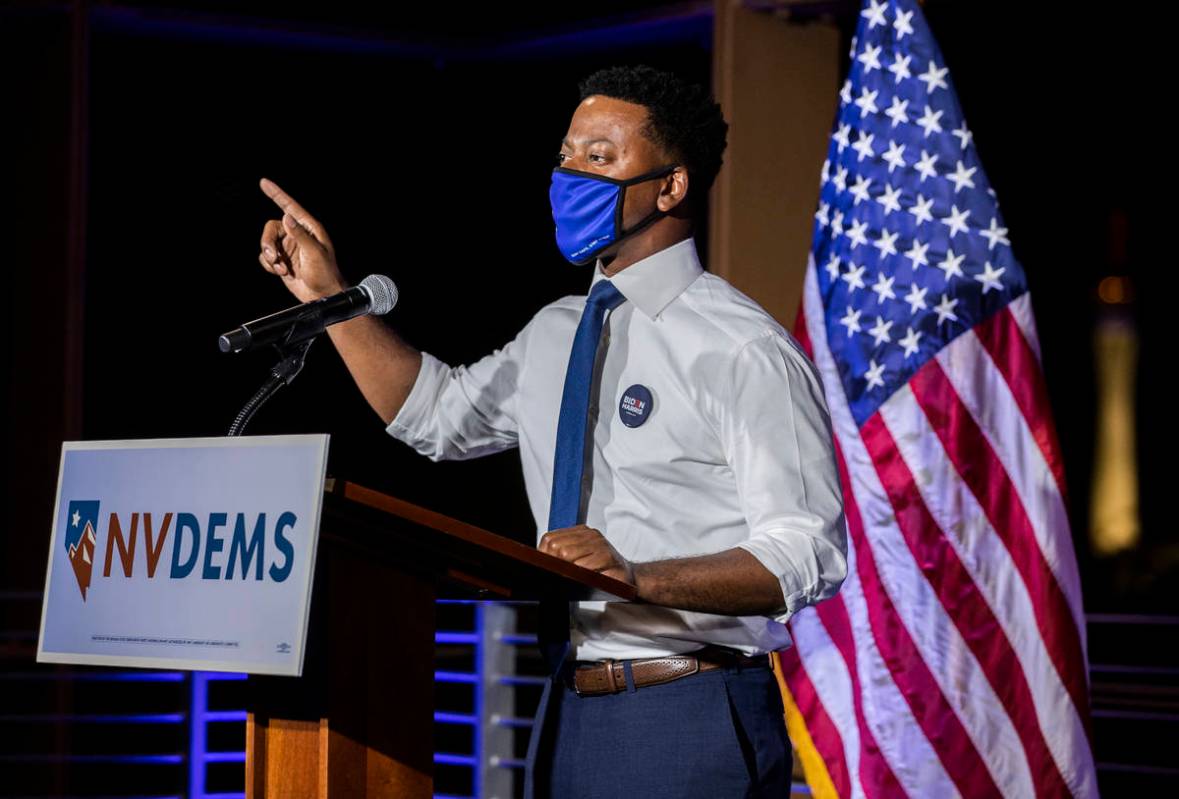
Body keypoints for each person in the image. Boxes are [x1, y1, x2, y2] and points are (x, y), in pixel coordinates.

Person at [257, 64, 847, 799]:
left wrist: (637, 578)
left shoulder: (739, 347)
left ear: (669, 186)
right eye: (566, 156)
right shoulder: (555, 331)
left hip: (688, 703)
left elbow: (806, 552)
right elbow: (434, 416)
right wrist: (327, 296)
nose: (570, 175)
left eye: (599, 158)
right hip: (565, 707)